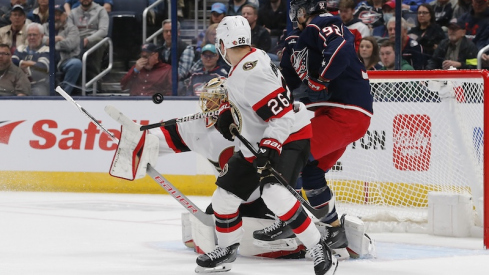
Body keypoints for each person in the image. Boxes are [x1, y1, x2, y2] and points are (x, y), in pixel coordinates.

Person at [195, 15, 338, 275]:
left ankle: (319, 247)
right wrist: (229, 111)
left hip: (289, 137)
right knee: (223, 199)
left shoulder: (253, 72)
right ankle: (227, 251)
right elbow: (248, 99)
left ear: (223, 44)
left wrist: (270, 148)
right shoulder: (248, 59)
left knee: (274, 194)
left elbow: (281, 116)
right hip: (258, 140)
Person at [262, 0, 373, 260]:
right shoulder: (299, 40)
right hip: (335, 113)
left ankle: (290, 220)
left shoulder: (323, 22)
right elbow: (287, 81)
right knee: (311, 171)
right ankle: (335, 231)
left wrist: (321, 78)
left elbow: (342, 51)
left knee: (288, 154)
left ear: (302, 12)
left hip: (345, 111)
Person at [43, 5, 82, 95]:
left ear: (65, 16)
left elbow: (70, 45)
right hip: (46, 59)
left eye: (58, 15)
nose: (56, 18)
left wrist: (51, 43)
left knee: (76, 64)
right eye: (53, 15)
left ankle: (63, 95)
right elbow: (40, 40)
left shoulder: (72, 28)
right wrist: (59, 38)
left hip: (65, 60)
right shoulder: (44, 27)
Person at [68, 0, 109, 81]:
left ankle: (94, 80)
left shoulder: (101, 10)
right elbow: (69, 31)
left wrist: (88, 39)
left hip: (94, 38)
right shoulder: (73, 13)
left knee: (97, 42)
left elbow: (103, 31)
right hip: (78, 39)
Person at [12, 22, 50, 96]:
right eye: (29, 35)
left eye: (34, 35)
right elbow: (13, 62)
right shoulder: (21, 48)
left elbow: (42, 67)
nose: (32, 37)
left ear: (42, 36)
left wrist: (22, 65)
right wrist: (30, 63)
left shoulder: (46, 49)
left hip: (38, 84)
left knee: (38, 93)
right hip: (19, 84)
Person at [158, 19, 196, 85]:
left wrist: (160, 76)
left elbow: (181, 74)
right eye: (166, 31)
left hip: (178, 85)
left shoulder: (187, 48)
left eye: (171, 31)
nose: (168, 34)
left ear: (178, 33)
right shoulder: (158, 48)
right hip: (161, 83)